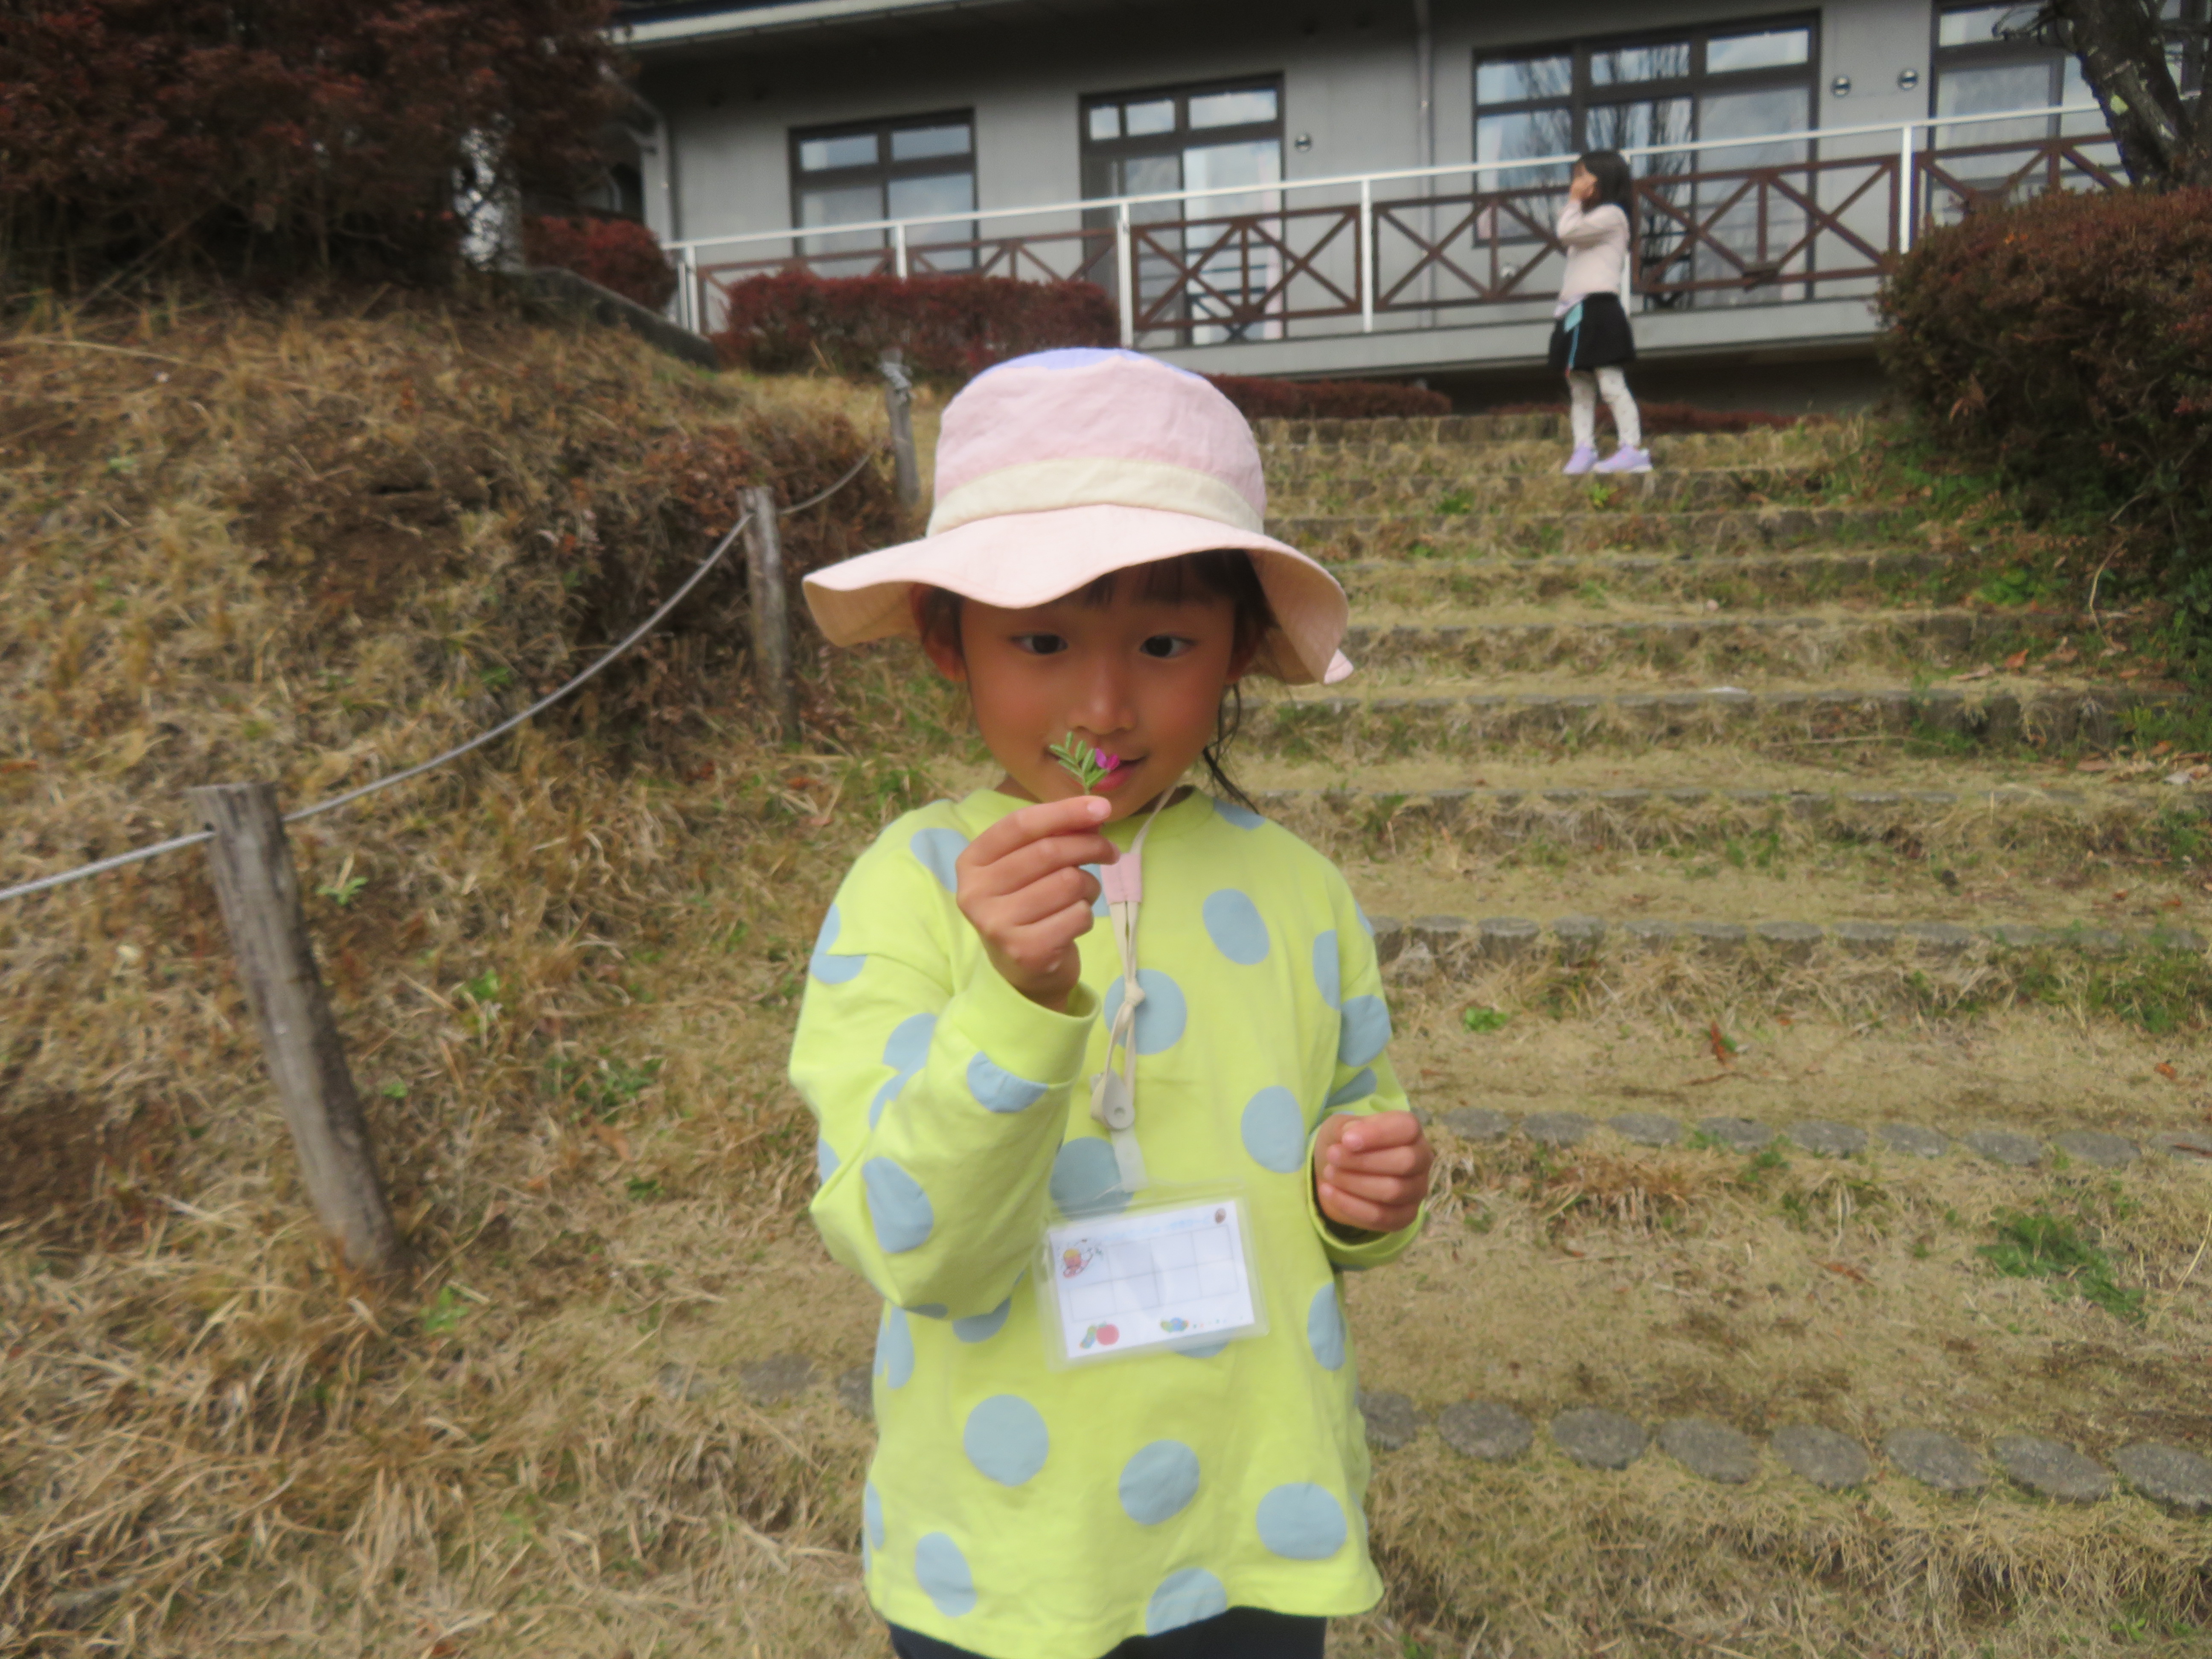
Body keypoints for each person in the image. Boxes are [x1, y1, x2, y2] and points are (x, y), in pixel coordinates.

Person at [791, 347, 1436, 1659]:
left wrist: (1359, 1194)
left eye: (1164, 643)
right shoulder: (909, 890)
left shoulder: (1301, 893)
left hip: (1254, 1520)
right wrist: (1017, 1001)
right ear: (950, 642)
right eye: (1040, 641)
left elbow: (1352, 1124)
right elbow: (914, 1248)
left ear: (1238, 649)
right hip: (1008, 1546)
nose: (1102, 703)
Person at [1550, 148, 1650, 475]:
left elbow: (1565, 232)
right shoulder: (1589, 219)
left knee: (1610, 384)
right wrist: (1576, 205)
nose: (1577, 183)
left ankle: (1631, 448)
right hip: (1575, 309)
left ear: (1603, 179)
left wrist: (1573, 201)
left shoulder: (1612, 215)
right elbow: (1570, 230)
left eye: (1583, 175)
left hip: (1599, 308)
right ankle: (1584, 448)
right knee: (1579, 386)